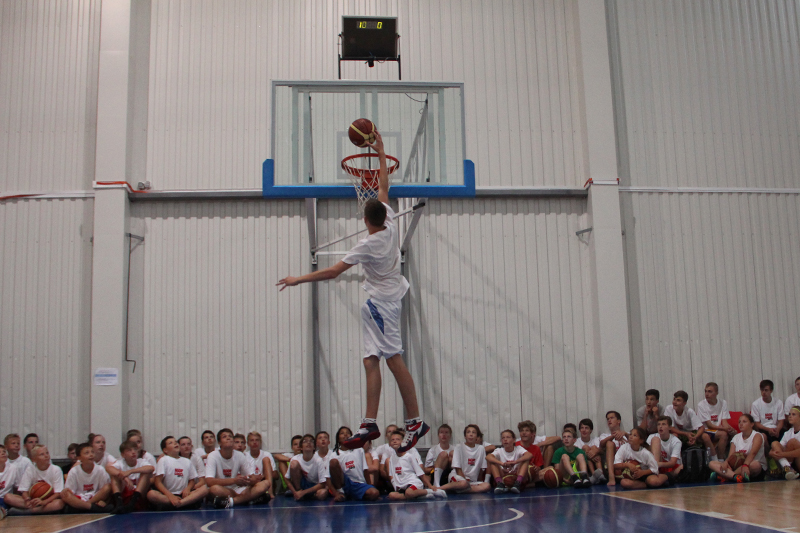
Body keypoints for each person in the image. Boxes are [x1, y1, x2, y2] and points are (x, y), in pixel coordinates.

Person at [278, 130, 429, 453]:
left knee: (393, 360)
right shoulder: (388, 220)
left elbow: (333, 271)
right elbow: (384, 186)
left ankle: (415, 421)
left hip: (383, 305)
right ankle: (369, 423)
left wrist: (297, 279)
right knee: (370, 360)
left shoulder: (369, 242)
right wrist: (381, 150)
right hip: (379, 301)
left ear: (364, 218)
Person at [205, 428, 267, 508]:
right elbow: (209, 481)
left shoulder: (239, 455)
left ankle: (232, 501)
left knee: (265, 483)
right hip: (224, 490)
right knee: (214, 489)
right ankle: (248, 499)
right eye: (224, 437)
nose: (228, 438)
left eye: (230, 436)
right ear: (219, 442)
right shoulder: (213, 456)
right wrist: (234, 480)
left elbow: (250, 475)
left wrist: (251, 479)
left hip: (239, 489)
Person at [148, 436, 209, 510]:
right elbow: (158, 482)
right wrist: (170, 496)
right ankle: (180, 503)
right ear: (165, 450)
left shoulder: (187, 461)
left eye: (176, 442)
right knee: (151, 494)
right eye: (171, 443)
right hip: (168, 495)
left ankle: (180, 503)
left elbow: (192, 480)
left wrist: (188, 489)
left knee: (205, 489)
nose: (175, 444)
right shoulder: (163, 460)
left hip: (184, 495)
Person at [4, 445, 65, 515]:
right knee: (8, 497)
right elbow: (24, 491)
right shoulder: (30, 469)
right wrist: (27, 500)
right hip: (33, 500)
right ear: (34, 459)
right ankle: (36, 508)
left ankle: (31, 511)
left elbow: (58, 493)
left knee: (59, 503)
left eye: (47, 453)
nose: (46, 456)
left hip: (49, 501)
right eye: (42, 454)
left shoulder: (56, 469)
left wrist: (44, 502)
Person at [384, 430, 445, 501]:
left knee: (409, 493)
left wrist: (430, 486)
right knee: (392, 495)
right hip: (402, 487)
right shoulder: (391, 458)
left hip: (413, 483)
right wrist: (396, 488)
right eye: (392, 440)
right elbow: (392, 476)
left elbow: (420, 473)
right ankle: (419, 496)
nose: (395, 441)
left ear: (403, 442)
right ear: (389, 444)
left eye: (398, 439)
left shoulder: (409, 456)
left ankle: (432, 492)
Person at [327, 427, 380, 502]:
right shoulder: (333, 455)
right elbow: (328, 478)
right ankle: (341, 492)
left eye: (348, 433)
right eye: (342, 433)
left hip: (358, 484)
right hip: (345, 483)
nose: (345, 434)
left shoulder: (359, 450)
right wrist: (336, 494)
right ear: (338, 439)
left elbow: (365, 470)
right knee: (333, 462)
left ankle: (353, 495)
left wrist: (370, 486)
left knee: (374, 493)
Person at [709, 413, 765, 483]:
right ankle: (735, 476)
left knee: (755, 465)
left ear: (752, 424)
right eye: (739, 422)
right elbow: (731, 456)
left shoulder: (757, 436)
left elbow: (753, 453)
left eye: (744, 422)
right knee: (712, 463)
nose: (741, 424)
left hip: (751, 466)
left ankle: (726, 476)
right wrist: (726, 462)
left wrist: (745, 465)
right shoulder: (736, 437)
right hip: (737, 467)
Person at [436, 424, 490, 494]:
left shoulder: (481, 448)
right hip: (459, 478)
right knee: (463, 484)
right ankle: (438, 489)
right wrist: (465, 481)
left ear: (477, 436)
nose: (471, 434)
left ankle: (459, 490)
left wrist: (477, 482)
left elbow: (481, 470)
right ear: (465, 436)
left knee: (487, 486)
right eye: (468, 432)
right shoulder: (458, 447)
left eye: (473, 432)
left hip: (471, 482)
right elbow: (458, 469)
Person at [61, 442, 113, 513]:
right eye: (87, 453)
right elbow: (69, 491)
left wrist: (103, 501)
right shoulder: (74, 471)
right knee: (65, 495)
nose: (91, 455)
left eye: (92, 452)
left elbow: (105, 490)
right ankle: (93, 508)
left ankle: (85, 507)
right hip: (79, 499)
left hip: (95, 498)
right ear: (79, 458)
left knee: (108, 487)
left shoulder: (100, 469)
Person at [107, 440, 154, 514]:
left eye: (135, 449)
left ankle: (133, 502)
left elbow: (151, 468)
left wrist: (131, 471)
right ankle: (119, 503)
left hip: (140, 494)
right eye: (129, 450)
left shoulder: (141, 461)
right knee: (114, 475)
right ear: (123, 455)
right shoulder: (120, 463)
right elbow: (109, 468)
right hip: (125, 492)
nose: (133, 452)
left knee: (145, 473)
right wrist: (124, 476)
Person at [696, 382, 736, 460]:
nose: (707, 394)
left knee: (732, 434)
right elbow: (709, 425)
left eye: (710, 391)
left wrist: (730, 429)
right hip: (706, 430)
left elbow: (724, 422)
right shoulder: (701, 404)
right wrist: (724, 429)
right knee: (721, 434)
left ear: (716, 393)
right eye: (705, 391)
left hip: (717, 430)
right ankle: (716, 459)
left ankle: (723, 459)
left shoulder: (723, 403)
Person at [664, 390, 710, 456]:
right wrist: (685, 434)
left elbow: (701, 428)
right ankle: (673, 459)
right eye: (674, 399)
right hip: (679, 433)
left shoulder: (689, 411)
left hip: (691, 433)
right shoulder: (669, 409)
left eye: (678, 400)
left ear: (684, 403)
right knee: (674, 436)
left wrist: (695, 437)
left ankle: (714, 458)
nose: (675, 402)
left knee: (705, 436)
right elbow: (670, 428)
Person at [487, 429, 532, 494]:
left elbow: (529, 455)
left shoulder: (518, 448)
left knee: (525, 459)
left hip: (516, 475)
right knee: (492, 461)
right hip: (504, 476)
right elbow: (488, 457)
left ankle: (518, 483)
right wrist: (501, 463)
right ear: (501, 441)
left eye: (508, 437)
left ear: (514, 440)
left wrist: (515, 462)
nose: (505, 439)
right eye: (503, 438)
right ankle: (500, 483)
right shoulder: (499, 450)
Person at [285, 434, 326, 501]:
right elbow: (287, 478)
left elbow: (322, 484)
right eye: (305, 441)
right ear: (301, 447)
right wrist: (295, 492)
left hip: (314, 486)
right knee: (294, 464)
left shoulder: (319, 460)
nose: (308, 443)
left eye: (311, 441)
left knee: (322, 494)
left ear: (314, 448)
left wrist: (304, 492)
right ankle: (298, 492)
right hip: (302, 484)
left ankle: (307, 495)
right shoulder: (295, 458)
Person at [768, 405, 800, 480]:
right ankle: (788, 468)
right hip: (791, 461)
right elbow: (778, 448)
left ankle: (787, 468)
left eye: (793, 414)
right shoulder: (788, 433)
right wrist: (771, 453)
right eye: (789, 414)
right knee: (774, 443)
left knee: (793, 442)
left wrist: (782, 454)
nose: (790, 416)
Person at [647, 416, 683, 482]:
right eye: (658, 424)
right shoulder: (651, 437)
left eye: (663, 424)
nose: (660, 426)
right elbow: (646, 454)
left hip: (671, 468)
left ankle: (666, 477)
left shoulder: (676, 441)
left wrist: (658, 464)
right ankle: (656, 472)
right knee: (655, 439)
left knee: (682, 467)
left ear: (669, 427)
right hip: (657, 466)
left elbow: (672, 463)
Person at [598, 411, 628, 486]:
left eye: (612, 418)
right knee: (609, 443)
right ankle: (611, 477)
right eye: (608, 419)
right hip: (612, 467)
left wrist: (625, 434)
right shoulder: (604, 435)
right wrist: (613, 436)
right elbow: (602, 444)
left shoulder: (627, 434)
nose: (609, 420)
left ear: (619, 421)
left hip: (625, 466)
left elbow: (637, 444)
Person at [245, 432, 276, 499]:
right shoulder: (244, 456)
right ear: (248, 443)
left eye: (257, 440)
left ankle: (269, 493)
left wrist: (264, 475)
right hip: (251, 483)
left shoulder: (267, 454)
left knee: (266, 459)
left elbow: (276, 475)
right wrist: (254, 478)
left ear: (260, 442)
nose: (255, 442)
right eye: (252, 440)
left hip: (265, 482)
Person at [514, 421, 545, 485]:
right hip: (516, 473)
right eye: (522, 431)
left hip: (530, 475)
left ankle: (526, 484)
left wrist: (537, 468)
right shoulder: (515, 446)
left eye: (527, 431)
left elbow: (539, 466)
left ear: (532, 434)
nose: (524, 433)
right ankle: (528, 484)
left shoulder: (536, 448)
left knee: (550, 469)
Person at [576, 418, 605, 484]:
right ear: (580, 430)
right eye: (582, 428)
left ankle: (600, 474)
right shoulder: (577, 442)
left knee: (594, 448)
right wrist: (588, 454)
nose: (584, 430)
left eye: (586, 428)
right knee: (585, 447)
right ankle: (596, 475)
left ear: (591, 430)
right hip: (583, 463)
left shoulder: (596, 439)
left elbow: (602, 451)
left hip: (595, 461)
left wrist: (595, 452)